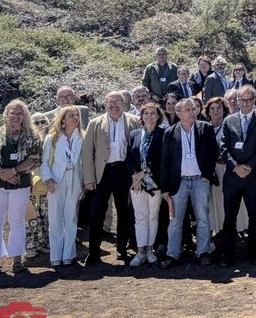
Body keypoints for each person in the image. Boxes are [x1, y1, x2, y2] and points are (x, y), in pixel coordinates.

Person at [0, 100, 42, 276]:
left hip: (20, 183)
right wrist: (1, 172)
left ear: (25, 116)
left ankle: (17, 260)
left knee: (17, 222)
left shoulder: (32, 135)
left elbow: (35, 158)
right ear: (6, 114)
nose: (16, 116)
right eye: (13, 113)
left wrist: (13, 171)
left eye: (20, 113)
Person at [158, 97, 219, 268]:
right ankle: (172, 254)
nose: (191, 113)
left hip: (200, 180)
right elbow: (165, 161)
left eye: (193, 109)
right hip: (179, 182)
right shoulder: (170, 133)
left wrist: (207, 174)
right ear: (178, 113)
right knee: (176, 219)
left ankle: (203, 252)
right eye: (187, 110)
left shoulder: (205, 128)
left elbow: (213, 153)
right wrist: (165, 188)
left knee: (203, 218)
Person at [81, 91, 141, 265]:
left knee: (124, 211)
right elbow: (87, 153)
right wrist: (89, 177)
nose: (113, 105)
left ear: (124, 104)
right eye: (110, 102)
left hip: (124, 170)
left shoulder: (134, 121)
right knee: (96, 213)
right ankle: (93, 252)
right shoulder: (95, 123)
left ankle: (122, 249)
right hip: (103, 172)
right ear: (105, 105)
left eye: (117, 102)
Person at [218, 85, 256, 266]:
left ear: (254, 100)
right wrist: (235, 166)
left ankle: (254, 253)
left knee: (254, 215)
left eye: (249, 100)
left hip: (253, 176)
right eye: (242, 100)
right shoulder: (229, 120)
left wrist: (248, 166)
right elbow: (224, 147)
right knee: (229, 216)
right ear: (237, 101)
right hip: (232, 177)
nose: (245, 103)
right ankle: (227, 254)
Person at [41, 106, 83, 268]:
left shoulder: (82, 137)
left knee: (71, 218)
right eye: (70, 115)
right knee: (56, 218)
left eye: (76, 115)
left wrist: (84, 183)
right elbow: (44, 162)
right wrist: (48, 179)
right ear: (62, 119)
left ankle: (69, 254)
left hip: (75, 178)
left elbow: (84, 162)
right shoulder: (52, 138)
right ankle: (55, 256)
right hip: (56, 180)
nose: (74, 118)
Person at [125, 103, 165, 267]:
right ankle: (141, 251)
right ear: (141, 116)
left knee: (152, 216)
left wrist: (146, 173)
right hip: (137, 183)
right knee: (140, 217)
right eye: (146, 113)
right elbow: (128, 156)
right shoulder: (134, 134)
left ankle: (150, 249)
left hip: (154, 182)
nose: (149, 116)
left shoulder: (163, 134)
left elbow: (163, 159)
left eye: (153, 113)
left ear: (158, 116)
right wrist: (136, 176)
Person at [202, 98, 229, 241]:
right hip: (210, 171)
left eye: (218, 108)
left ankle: (226, 230)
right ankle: (214, 229)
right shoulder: (205, 128)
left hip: (225, 168)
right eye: (212, 109)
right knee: (211, 201)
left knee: (225, 200)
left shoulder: (228, 126)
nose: (215, 111)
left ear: (224, 110)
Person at [25, 113, 51, 261]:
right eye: (36, 122)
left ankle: (44, 243)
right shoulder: (27, 140)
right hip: (29, 184)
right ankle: (30, 246)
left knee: (46, 216)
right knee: (30, 217)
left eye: (43, 122)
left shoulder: (50, 140)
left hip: (45, 185)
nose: (40, 125)